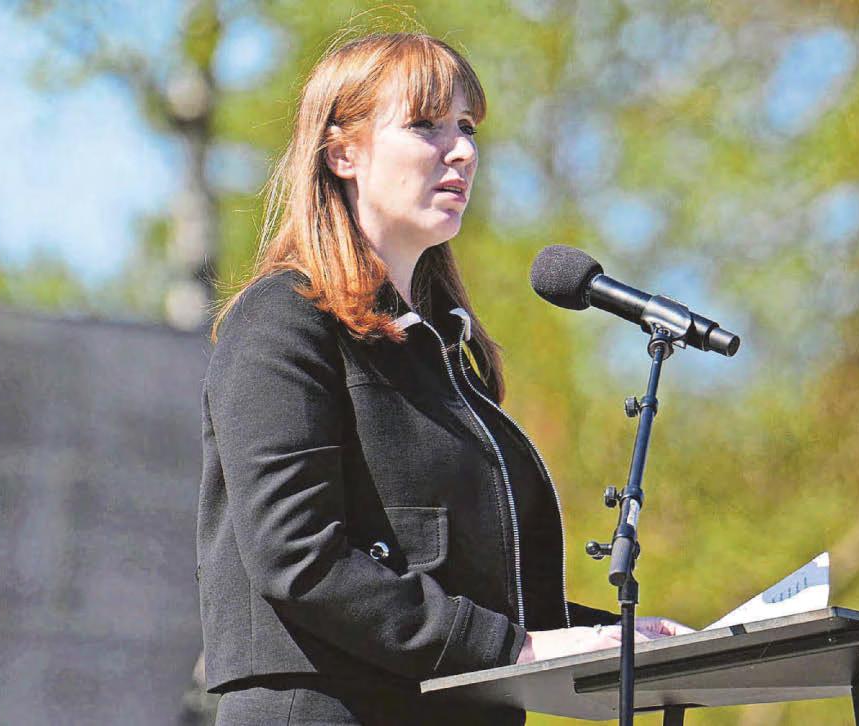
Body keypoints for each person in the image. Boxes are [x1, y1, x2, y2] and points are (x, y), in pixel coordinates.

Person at [197, 32, 691, 725]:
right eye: (426, 125)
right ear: (342, 153)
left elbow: (470, 592)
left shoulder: (450, 351)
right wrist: (515, 648)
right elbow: (298, 558)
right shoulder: (283, 318)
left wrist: (613, 641)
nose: (460, 150)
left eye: (466, 127)